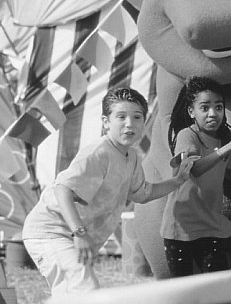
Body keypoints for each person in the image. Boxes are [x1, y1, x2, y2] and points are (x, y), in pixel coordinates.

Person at [22, 88, 197, 296]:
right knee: (84, 289)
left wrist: (177, 180)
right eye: (121, 117)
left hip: (70, 235)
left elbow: (143, 192)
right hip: (49, 233)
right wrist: (79, 233)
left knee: (75, 292)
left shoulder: (131, 157)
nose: (130, 124)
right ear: (106, 122)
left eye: (137, 117)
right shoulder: (98, 152)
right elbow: (62, 189)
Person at [162, 76, 231, 277]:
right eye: (205, 107)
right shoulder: (187, 135)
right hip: (181, 228)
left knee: (216, 290)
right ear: (191, 111)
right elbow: (194, 168)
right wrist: (228, 147)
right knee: (182, 292)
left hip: (211, 226)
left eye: (219, 107)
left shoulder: (224, 139)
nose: (213, 113)